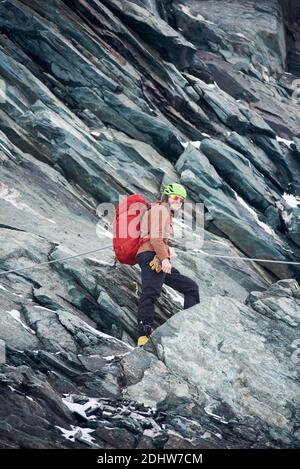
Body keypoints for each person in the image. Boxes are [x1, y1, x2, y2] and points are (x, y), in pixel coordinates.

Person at [135, 183, 200, 347]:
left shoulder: (164, 212)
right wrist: (164, 259)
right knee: (151, 293)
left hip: (156, 255)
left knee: (191, 287)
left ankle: (188, 326)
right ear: (167, 196)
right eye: (176, 198)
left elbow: (157, 238)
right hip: (152, 257)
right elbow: (155, 238)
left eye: (181, 200)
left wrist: (166, 252)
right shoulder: (160, 210)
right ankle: (143, 336)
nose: (179, 202)